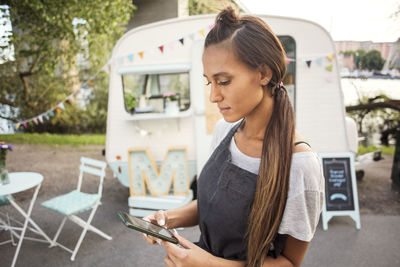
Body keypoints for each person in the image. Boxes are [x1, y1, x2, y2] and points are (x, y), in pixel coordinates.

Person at [143, 7, 324, 267]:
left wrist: (207, 264)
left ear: (264, 74)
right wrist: (167, 219)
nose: (214, 96)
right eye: (210, 83)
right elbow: (213, 203)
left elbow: (290, 262)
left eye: (224, 81)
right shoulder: (224, 133)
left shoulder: (300, 166)